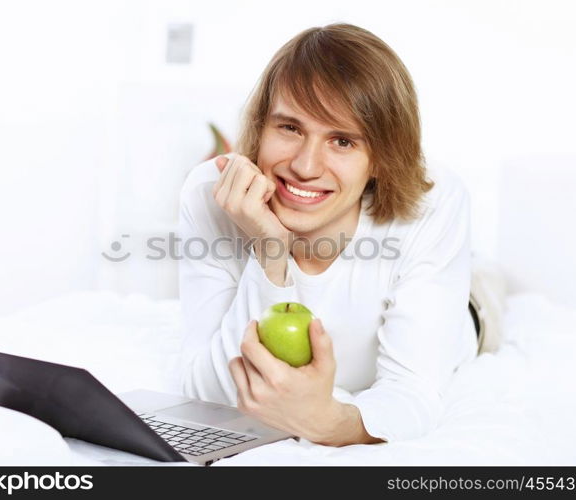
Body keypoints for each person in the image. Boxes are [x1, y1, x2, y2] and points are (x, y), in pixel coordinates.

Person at [177, 23, 503, 446]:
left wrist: (328, 422)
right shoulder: (212, 193)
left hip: (472, 311)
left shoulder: (435, 201)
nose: (306, 166)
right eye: (290, 128)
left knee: (486, 287)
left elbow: (414, 395)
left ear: (382, 158)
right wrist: (271, 253)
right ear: (260, 129)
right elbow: (208, 393)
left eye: (343, 141)